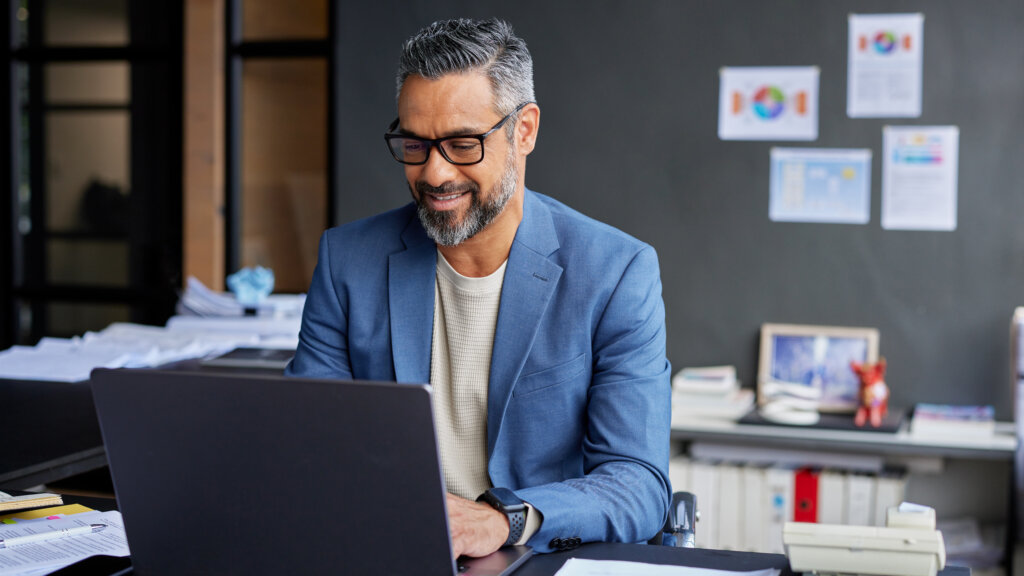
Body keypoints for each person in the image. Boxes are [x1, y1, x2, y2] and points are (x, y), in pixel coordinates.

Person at [287, 17, 671, 558]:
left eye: (463, 143)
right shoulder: (347, 261)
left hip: (534, 559)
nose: (435, 174)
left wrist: (504, 521)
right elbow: (305, 445)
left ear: (525, 131)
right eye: (415, 145)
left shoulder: (615, 271)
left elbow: (638, 482)